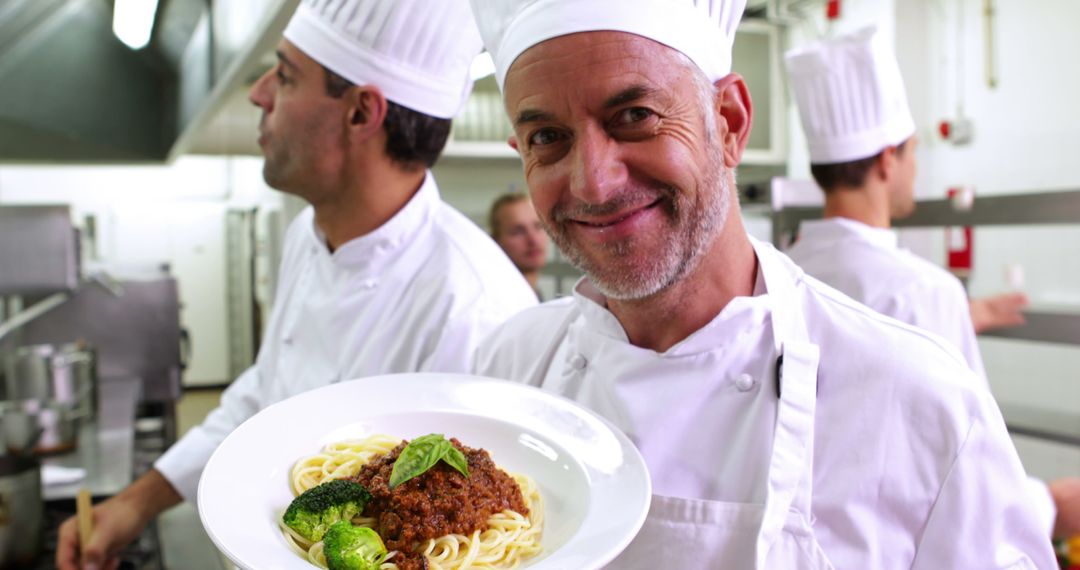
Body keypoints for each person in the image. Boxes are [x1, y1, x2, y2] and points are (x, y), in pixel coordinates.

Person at [467, 0, 1056, 566]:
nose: (593, 183)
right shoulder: (505, 371)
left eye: (635, 117)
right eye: (547, 137)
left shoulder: (920, 399)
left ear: (729, 122)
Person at [56, 1, 536, 568]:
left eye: (284, 76)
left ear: (361, 114)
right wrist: (135, 505)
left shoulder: (477, 309)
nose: (259, 93)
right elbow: (263, 394)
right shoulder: (308, 236)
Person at [784, 26, 1078, 540]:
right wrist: (1049, 505)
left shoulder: (780, 271)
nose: (916, 168)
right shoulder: (923, 293)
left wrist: (963, 314)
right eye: (913, 151)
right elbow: (974, 469)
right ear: (885, 161)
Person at [489, 192, 549, 295]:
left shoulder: (535, 294)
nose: (533, 240)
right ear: (496, 241)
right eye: (517, 231)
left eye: (538, 226)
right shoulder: (495, 300)